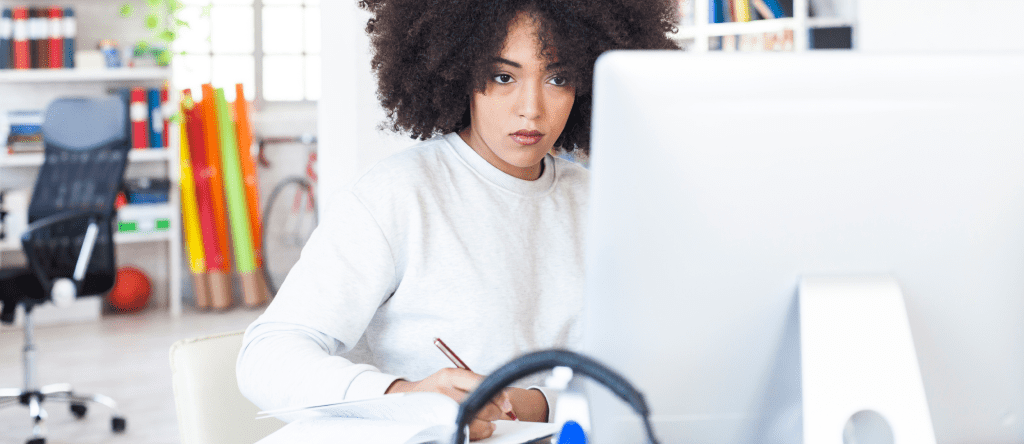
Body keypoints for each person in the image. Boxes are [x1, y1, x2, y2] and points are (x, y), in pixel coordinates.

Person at [237, 0, 678, 440]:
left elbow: (636, 368)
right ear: (460, 70)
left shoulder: (599, 204)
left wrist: (534, 403)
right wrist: (403, 394)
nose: (531, 108)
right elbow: (266, 356)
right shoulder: (397, 196)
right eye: (503, 77)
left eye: (557, 78)